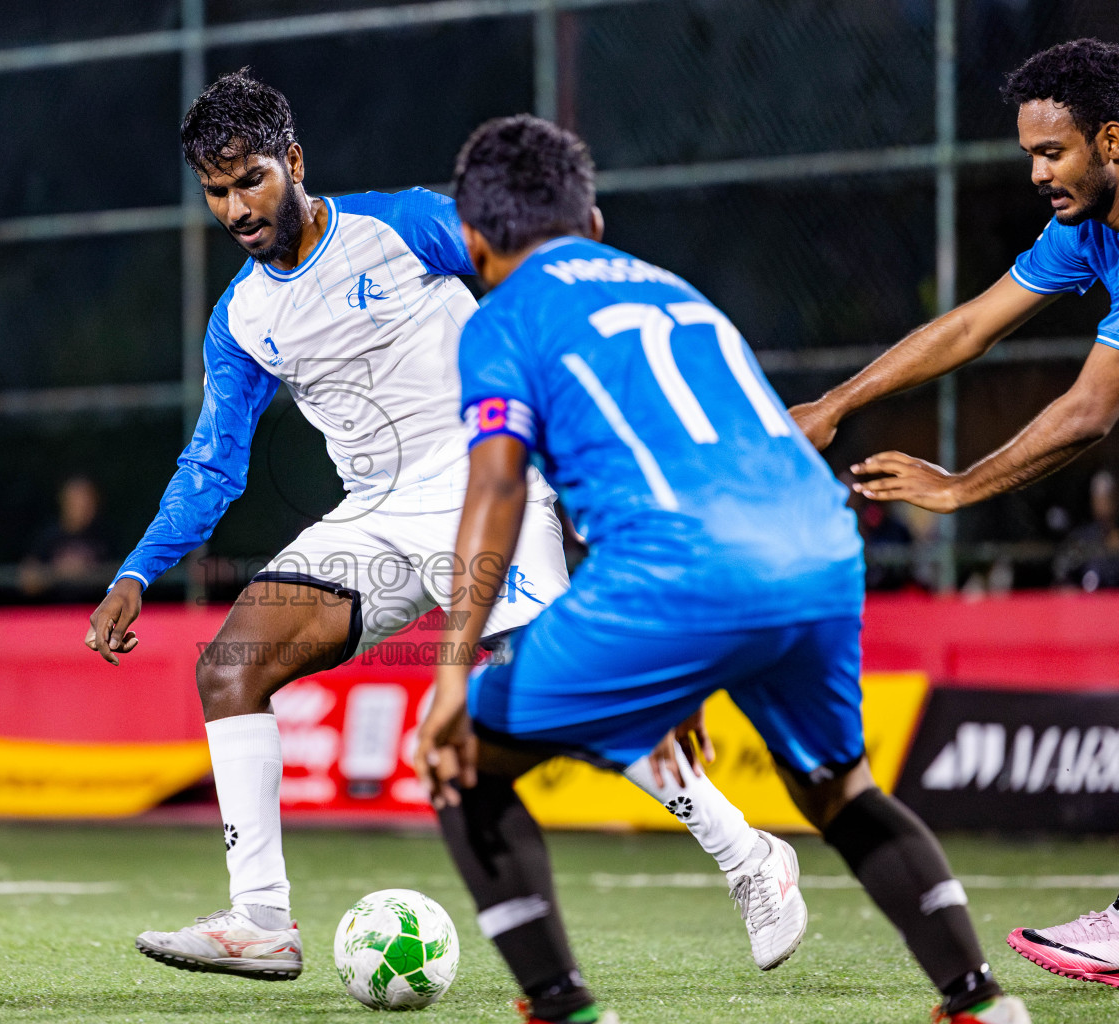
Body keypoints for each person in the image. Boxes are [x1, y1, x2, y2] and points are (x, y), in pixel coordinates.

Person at [87, 69, 806, 981]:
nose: (235, 207)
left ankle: (753, 857)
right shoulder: (241, 319)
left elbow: (534, 267)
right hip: (375, 515)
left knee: (566, 689)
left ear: (294, 162)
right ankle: (262, 917)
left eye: (251, 180)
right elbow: (213, 464)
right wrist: (137, 572)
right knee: (229, 668)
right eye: (217, 191)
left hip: (488, 485)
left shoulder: (401, 225)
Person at [414, 115, 1027, 1024]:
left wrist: (453, 668)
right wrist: (693, 669)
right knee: (839, 789)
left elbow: (497, 489)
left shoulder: (502, 318)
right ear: (595, 217)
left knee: (463, 762)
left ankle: (561, 1007)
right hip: (819, 547)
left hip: (682, 571)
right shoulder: (682, 295)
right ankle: (978, 1000)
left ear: (472, 238)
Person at [786, 38, 1119, 988]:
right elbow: (971, 323)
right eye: (1026, 153)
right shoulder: (1091, 230)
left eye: (1053, 154)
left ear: (1111, 139)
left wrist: (960, 486)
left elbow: (1090, 411)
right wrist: (838, 403)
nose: (1037, 173)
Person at [19, 476, 109, 601]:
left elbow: (122, 580)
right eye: (76, 501)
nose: (82, 507)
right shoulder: (49, 537)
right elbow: (28, 581)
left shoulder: (104, 537)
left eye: (87, 501)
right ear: (64, 502)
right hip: (54, 613)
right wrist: (59, 572)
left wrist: (89, 572)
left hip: (95, 612)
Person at [1052, 469, 1119, 590]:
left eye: (1107, 498)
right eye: (1098, 499)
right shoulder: (1082, 537)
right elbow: (1063, 575)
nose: (1102, 504)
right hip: (1086, 603)